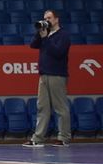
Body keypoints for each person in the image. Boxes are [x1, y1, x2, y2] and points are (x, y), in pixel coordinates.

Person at [29, 8, 72, 147]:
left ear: (56, 19)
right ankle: (38, 138)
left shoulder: (63, 35)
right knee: (42, 107)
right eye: (45, 18)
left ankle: (63, 137)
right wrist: (40, 33)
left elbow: (58, 52)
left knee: (60, 108)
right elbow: (33, 45)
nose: (46, 21)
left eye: (49, 18)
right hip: (44, 74)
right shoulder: (45, 34)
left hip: (57, 75)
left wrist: (45, 38)